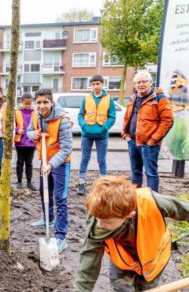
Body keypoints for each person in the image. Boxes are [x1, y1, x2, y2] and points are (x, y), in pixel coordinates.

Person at [74, 176, 189, 291]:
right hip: (122, 261)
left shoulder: (152, 203)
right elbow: (89, 261)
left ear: (128, 215)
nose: (100, 225)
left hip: (153, 260)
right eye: (98, 220)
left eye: (107, 223)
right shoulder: (98, 212)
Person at [27, 88, 72, 252]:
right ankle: (48, 218)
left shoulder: (63, 120)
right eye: (38, 102)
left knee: (60, 198)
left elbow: (67, 148)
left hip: (60, 164)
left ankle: (61, 236)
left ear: (52, 102)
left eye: (45, 102)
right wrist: (34, 135)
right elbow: (28, 131)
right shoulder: (35, 116)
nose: (41, 106)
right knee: (43, 191)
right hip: (44, 161)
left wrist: (52, 164)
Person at [122, 71, 173, 192]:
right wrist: (125, 135)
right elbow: (127, 117)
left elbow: (167, 121)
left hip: (149, 144)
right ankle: (135, 200)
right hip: (133, 142)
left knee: (151, 173)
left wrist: (153, 140)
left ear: (151, 82)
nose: (141, 84)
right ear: (134, 85)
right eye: (138, 82)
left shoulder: (160, 98)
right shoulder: (133, 98)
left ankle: (152, 201)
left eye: (144, 81)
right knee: (135, 173)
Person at [76, 75, 116, 196]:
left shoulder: (109, 98)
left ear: (102, 84)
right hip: (87, 134)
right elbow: (80, 115)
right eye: (93, 84)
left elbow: (112, 116)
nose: (95, 86)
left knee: (101, 159)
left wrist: (104, 128)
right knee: (84, 158)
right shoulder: (87, 98)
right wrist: (84, 126)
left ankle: (103, 184)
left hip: (102, 135)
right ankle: (81, 182)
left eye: (98, 83)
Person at [14, 93, 37, 191]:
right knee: (19, 162)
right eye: (26, 103)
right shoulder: (17, 112)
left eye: (29, 103)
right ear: (22, 102)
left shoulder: (35, 112)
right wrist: (17, 129)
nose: (27, 105)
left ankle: (29, 182)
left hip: (31, 142)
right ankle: (19, 181)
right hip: (20, 141)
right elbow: (12, 124)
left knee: (29, 163)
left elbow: (38, 124)